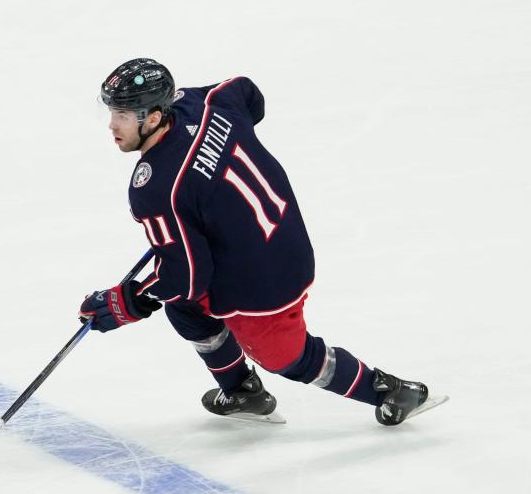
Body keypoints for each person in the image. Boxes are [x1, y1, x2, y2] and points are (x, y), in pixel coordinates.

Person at [79, 58, 434, 425]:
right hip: (284, 236)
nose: (111, 124)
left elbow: (186, 279)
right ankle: (240, 390)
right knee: (186, 310)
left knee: (289, 358)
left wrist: (126, 302)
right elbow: (247, 92)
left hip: (261, 283)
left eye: (122, 114)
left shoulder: (155, 187)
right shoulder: (201, 103)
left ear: (153, 117)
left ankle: (391, 391)